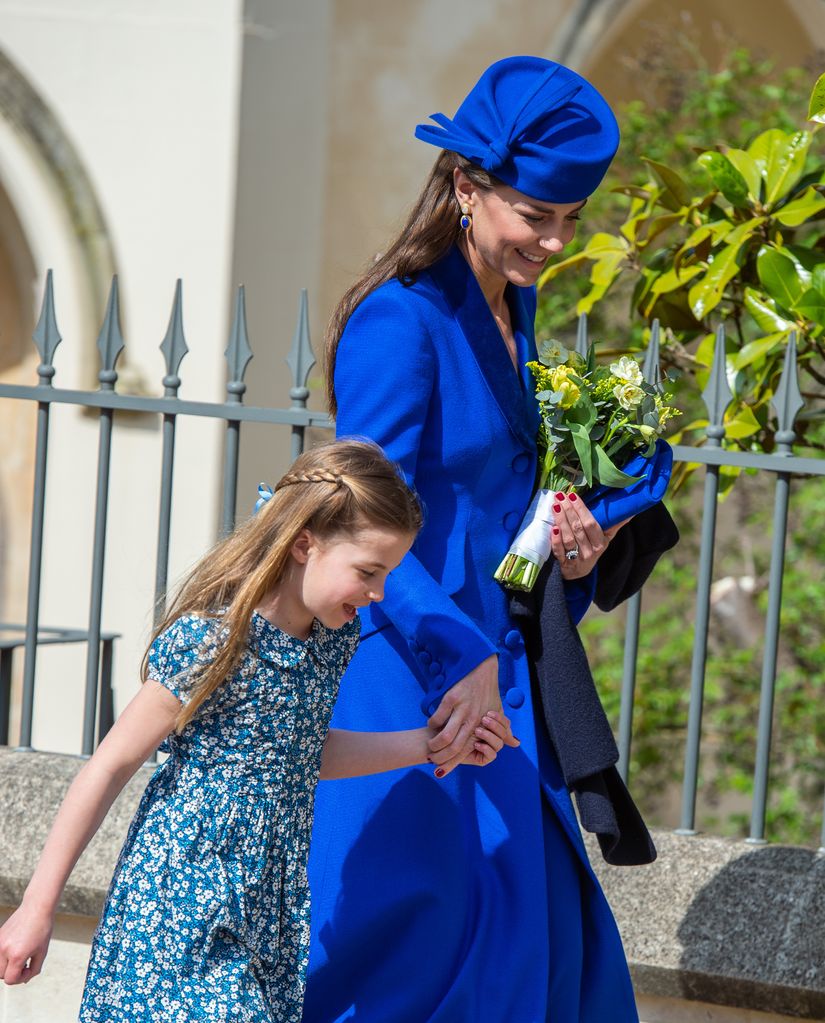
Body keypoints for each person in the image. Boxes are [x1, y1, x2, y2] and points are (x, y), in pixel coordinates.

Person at [304, 57, 642, 1022]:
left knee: (535, 956)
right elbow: (362, 514)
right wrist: (460, 659)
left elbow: (494, 507)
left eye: (571, 218)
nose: (556, 239)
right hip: (414, 677)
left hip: (499, 678)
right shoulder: (395, 321)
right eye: (537, 215)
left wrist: (570, 547)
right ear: (464, 186)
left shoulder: (513, 308)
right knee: (416, 960)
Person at [0, 439, 516, 1022]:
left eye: (388, 577)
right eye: (368, 572)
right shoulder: (213, 642)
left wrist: (429, 745)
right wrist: (36, 908)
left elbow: (298, 753)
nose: (376, 595)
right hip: (178, 901)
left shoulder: (330, 642)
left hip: (267, 915)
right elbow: (110, 764)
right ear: (304, 545)